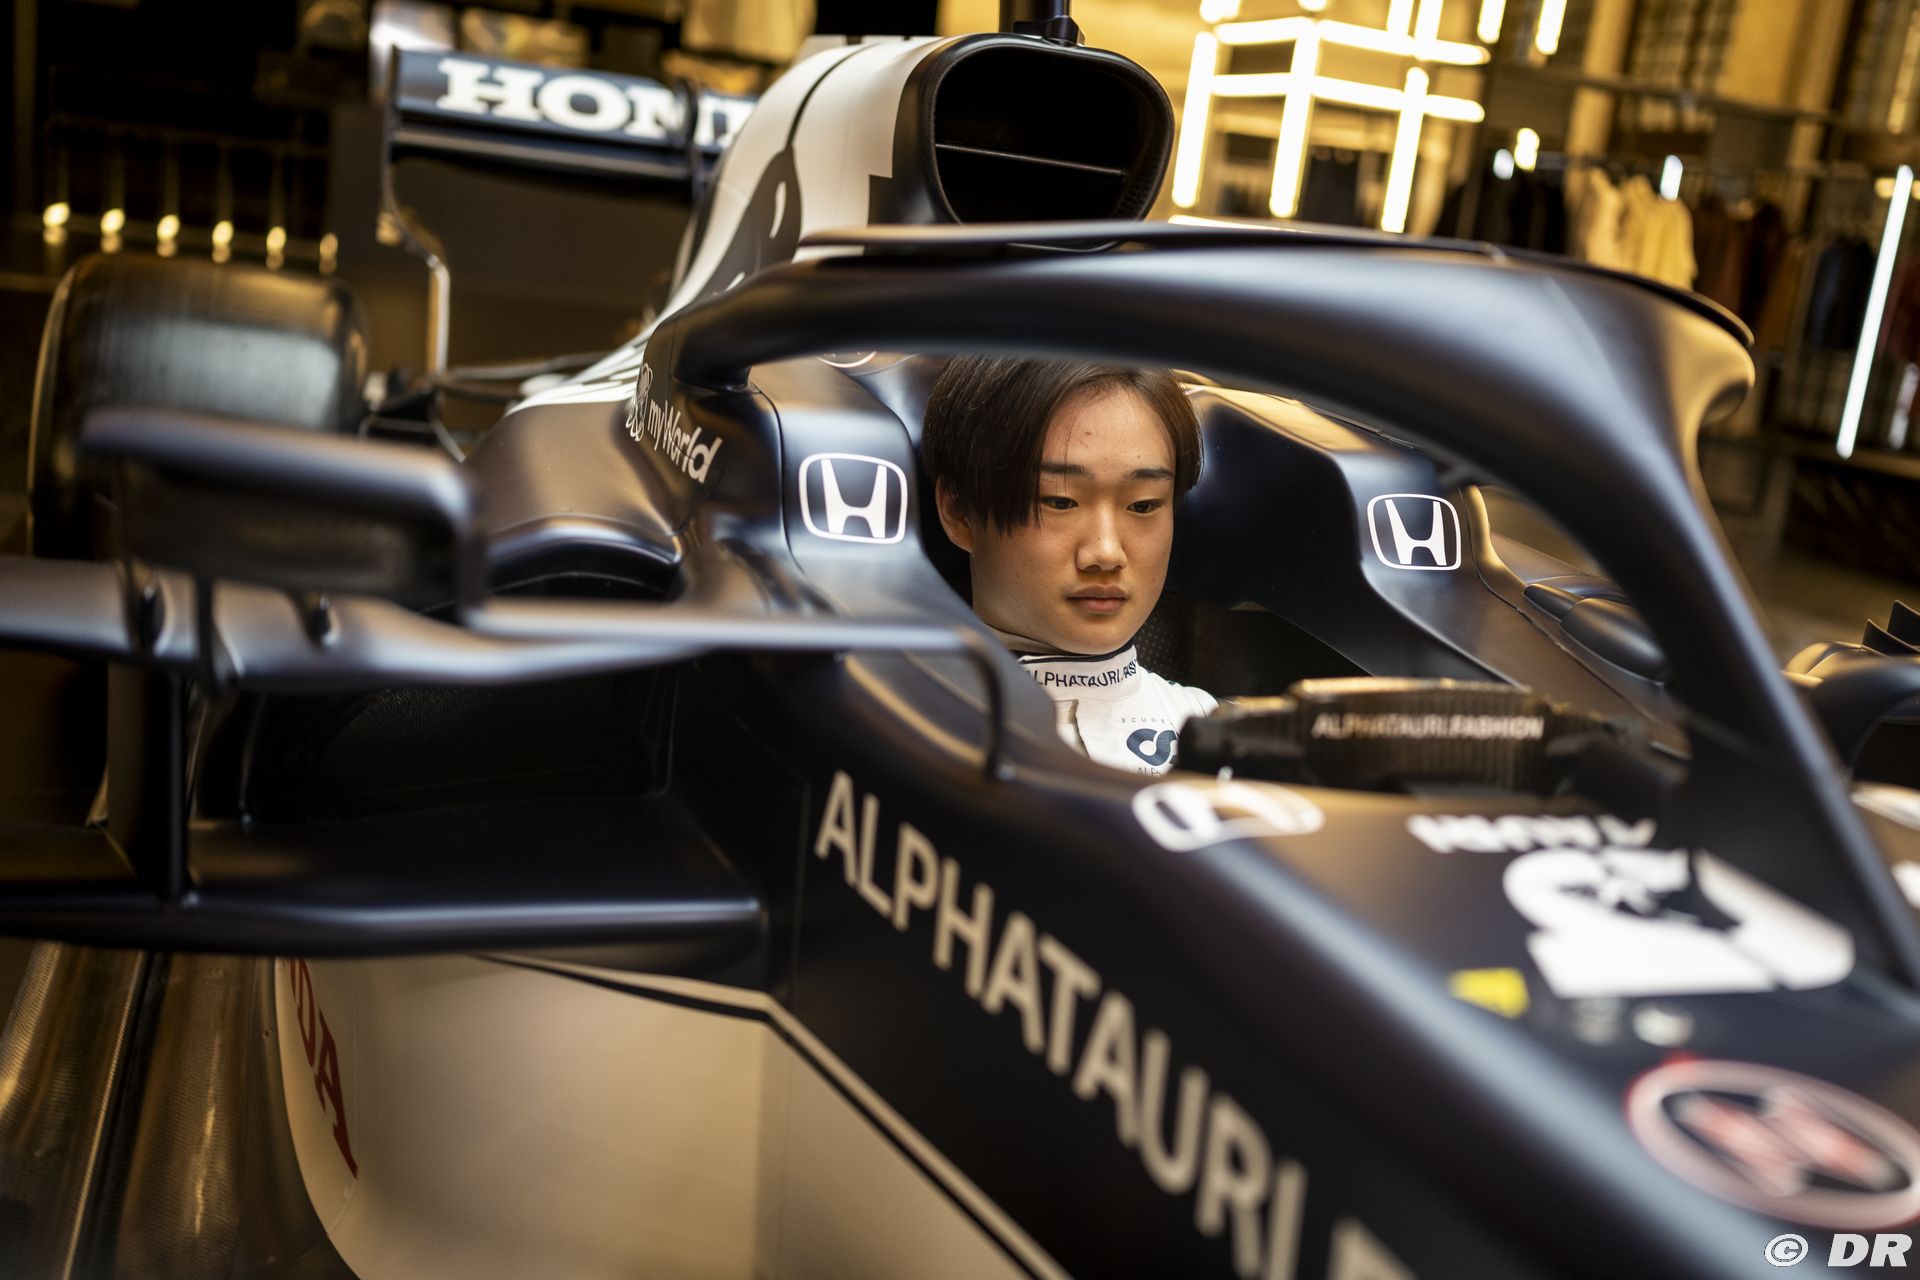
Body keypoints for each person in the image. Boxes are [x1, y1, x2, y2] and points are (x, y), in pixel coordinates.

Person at [921, 356, 1216, 775]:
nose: (1106, 553)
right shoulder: (897, 727)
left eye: (1143, 505)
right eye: (1060, 501)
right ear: (959, 512)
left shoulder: (1227, 739)